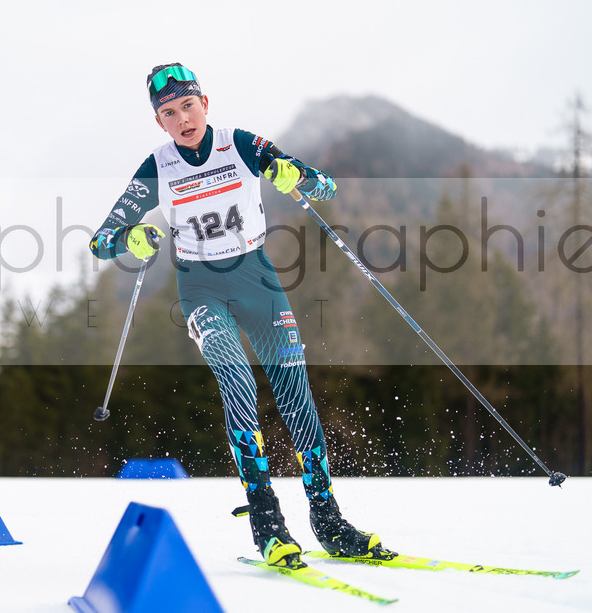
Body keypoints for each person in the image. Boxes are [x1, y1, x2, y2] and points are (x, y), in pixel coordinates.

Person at [89, 63, 384, 567]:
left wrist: (298, 176)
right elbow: (101, 240)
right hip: (201, 287)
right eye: (168, 113)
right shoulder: (157, 166)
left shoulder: (239, 143)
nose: (182, 119)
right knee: (236, 379)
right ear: (159, 122)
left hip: (258, 280)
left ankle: (328, 520)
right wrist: (130, 239)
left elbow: (324, 187)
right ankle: (268, 524)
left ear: (206, 102)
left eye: (188, 105)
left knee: (296, 396)